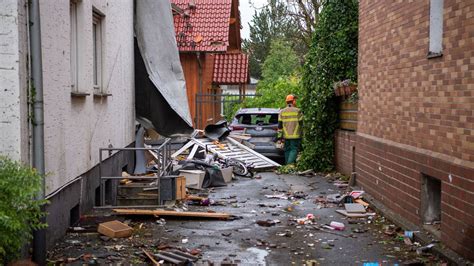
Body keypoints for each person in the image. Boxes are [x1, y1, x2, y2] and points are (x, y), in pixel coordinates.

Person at [278, 94, 303, 164]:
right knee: (294, 149)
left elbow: (279, 125)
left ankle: (287, 165)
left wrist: (280, 136)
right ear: (293, 101)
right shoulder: (298, 111)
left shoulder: (282, 111)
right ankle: (289, 165)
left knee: (287, 150)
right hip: (295, 135)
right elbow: (301, 123)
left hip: (286, 135)